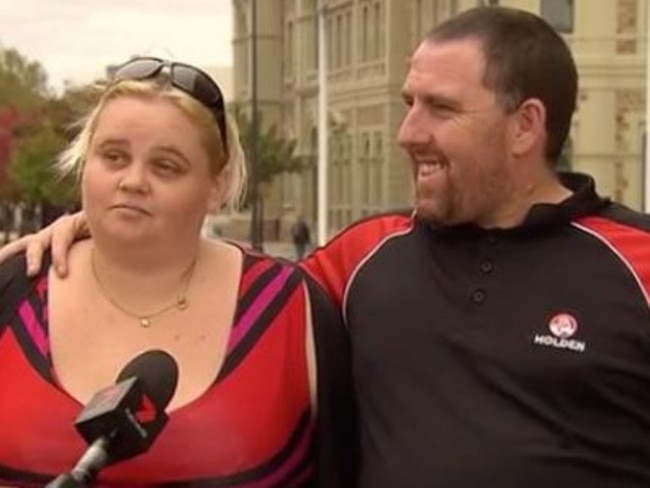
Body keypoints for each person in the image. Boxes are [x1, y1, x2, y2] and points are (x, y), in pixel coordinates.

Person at [5, 6, 650, 487]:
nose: (406, 131)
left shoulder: (636, 261)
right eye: (407, 102)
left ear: (526, 125)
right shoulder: (364, 258)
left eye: (440, 109)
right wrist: (98, 229)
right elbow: (224, 289)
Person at [0, 56, 357, 487]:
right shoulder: (15, 291)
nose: (132, 181)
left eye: (165, 166)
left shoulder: (291, 310)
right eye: (113, 156)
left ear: (216, 187)